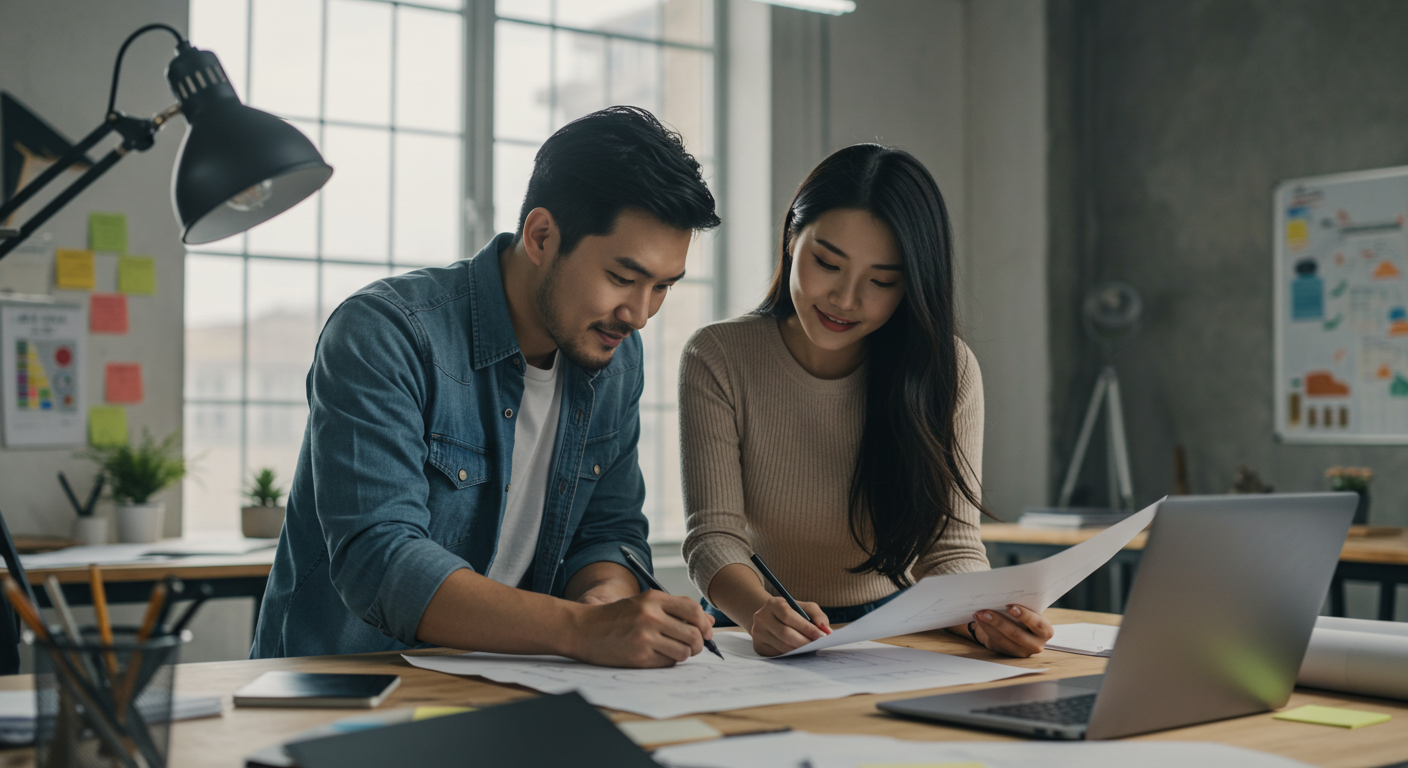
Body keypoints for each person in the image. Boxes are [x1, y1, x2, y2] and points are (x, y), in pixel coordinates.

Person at [252, 106, 721, 668]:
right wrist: (582, 629)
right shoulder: (385, 333)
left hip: (507, 686)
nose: (640, 314)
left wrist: (604, 602)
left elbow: (608, 532)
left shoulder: (616, 357)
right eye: (622, 278)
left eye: (663, 286)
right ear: (542, 235)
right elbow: (380, 561)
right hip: (343, 694)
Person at [679, 144, 1052, 658]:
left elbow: (952, 547)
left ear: (912, 286)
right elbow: (713, 536)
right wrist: (758, 610)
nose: (845, 299)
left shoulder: (947, 368)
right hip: (754, 618)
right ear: (791, 238)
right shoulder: (718, 355)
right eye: (827, 263)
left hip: (900, 627)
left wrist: (984, 619)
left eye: (881, 281)